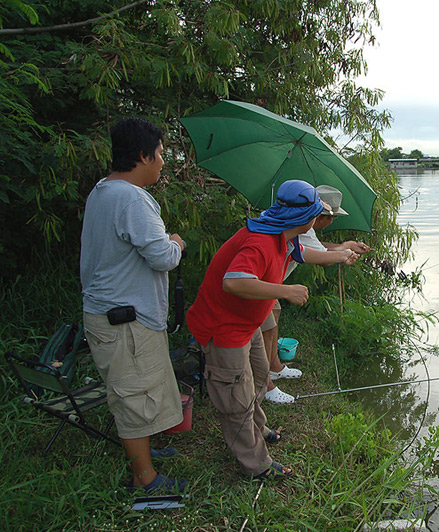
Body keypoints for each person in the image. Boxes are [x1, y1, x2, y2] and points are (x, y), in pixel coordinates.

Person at [186, 179, 324, 479]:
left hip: (247, 325)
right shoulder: (261, 241)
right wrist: (285, 291)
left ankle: (258, 428)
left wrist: (341, 254)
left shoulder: (282, 236)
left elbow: (304, 253)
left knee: (259, 376)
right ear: (306, 218)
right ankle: (255, 464)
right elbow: (234, 281)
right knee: (236, 397)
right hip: (224, 329)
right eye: (315, 213)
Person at [80, 117, 187, 493]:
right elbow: (162, 257)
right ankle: (145, 478)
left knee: (144, 387)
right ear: (143, 156)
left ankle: (148, 454)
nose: (162, 162)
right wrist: (177, 242)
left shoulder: (103, 190)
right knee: (134, 398)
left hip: (119, 315)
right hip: (124, 320)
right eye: (159, 154)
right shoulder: (131, 198)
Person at [259, 185, 373, 404]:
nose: (333, 222)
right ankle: (265, 384)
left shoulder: (298, 227)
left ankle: (274, 367)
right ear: (319, 216)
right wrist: (343, 252)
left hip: (270, 282)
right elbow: (320, 255)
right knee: (266, 325)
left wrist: (344, 247)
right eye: (332, 217)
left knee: (274, 314)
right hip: (262, 284)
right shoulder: (296, 227)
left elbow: (314, 248)